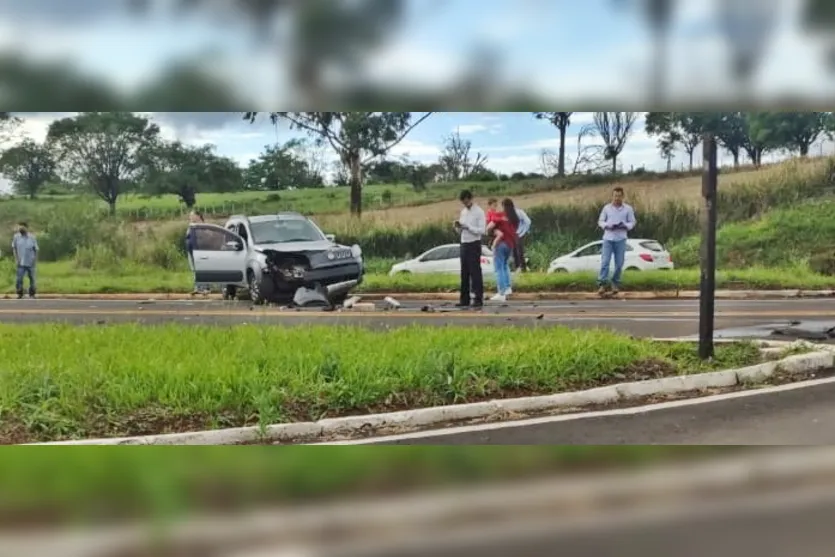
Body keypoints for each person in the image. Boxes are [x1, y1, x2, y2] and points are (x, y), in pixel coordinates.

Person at [597, 187, 636, 295]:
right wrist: (607, 225)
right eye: (615, 196)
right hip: (608, 238)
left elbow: (632, 222)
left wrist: (625, 226)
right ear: (612, 196)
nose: (617, 198)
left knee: (619, 264)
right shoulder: (606, 208)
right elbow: (600, 221)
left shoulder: (628, 209)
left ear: (622, 196)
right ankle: (602, 284)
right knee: (605, 262)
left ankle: (615, 283)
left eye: (619, 196)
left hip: (621, 238)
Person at [454, 190, 486, 309]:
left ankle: (478, 298)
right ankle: (464, 299)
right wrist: (458, 227)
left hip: (474, 243)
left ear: (471, 199)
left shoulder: (479, 212)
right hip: (464, 243)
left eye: (466, 201)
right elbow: (461, 230)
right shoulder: (463, 212)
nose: (465, 204)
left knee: (475, 272)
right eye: (463, 202)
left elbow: (482, 230)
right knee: (464, 273)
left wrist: (469, 227)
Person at [485, 198, 519, 302]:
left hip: (500, 243)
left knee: (498, 268)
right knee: (505, 265)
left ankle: (501, 293)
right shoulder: (514, 218)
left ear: (503, 206)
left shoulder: (500, 215)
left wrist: (488, 232)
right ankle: (508, 288)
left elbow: (489, 226)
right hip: (510, 244)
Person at [185, 210, 209, 295]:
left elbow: (205, 238)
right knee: (194, 270)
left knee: (202, 269)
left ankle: (205, 288)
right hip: (191, 251)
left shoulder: (202, 226)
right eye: (190, 216)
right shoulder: (191, 225)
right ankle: (197, 287)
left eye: (192, 215)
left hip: (200, 251)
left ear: (198, 216)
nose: (190, 217)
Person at [11, 221, 38, 299]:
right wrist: (16, 259)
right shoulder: (16, 237)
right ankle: (20, 293)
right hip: (20, 262)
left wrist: (34, 260)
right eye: (19, 227)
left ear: (26, 228)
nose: (20, 229)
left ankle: (32, 294)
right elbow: (14, 248)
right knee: (19, 279)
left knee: (32, 278)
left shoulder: (32, 237)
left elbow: (35, 249)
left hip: (30, 262)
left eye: (22, 227)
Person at [504, 198, 531, 272]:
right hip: (514, 234)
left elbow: (528, 221)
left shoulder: (518, 212)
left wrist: (523, 231)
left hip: (519, 234)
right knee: (514, 251)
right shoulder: (507, 214)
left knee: (519, 251)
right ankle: (518, 267)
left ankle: (523, 268)